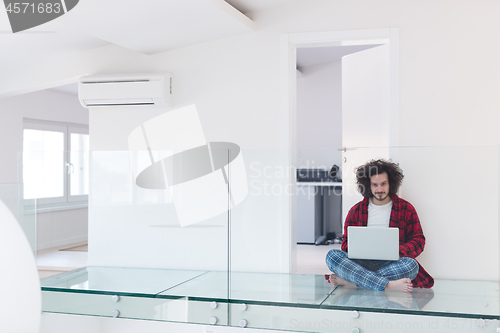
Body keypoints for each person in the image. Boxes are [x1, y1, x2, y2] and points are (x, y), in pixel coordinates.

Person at [325, 159, 433, 292]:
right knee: (332, 256)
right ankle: (388, 285)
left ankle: (353, 281)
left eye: (383, 184)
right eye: (375, 185)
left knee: (411, 266)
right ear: (368, 185)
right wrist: (362, 248)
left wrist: (396, 251)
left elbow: (418, 240)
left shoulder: (406, 208)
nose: (379, 189)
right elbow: (346, 244)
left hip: (391, 263)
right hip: (361, 263)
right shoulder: (355, 211)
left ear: (391, 184)